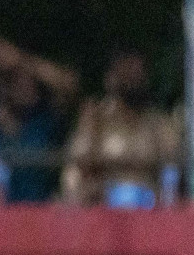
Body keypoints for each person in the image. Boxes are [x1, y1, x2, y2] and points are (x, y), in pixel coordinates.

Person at [0, 38, 77, 204]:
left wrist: (20, 59)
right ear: (1, 85)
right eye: (17, 80)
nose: (27, 87)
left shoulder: (44, 123)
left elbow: (68, 85)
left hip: (39, 216)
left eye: (33, 82)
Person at [61, 49, 179, 209]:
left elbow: (172, 165)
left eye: (138, 74)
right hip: (103, 207)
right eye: (127, 74)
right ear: (111, 79)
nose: (133, 79)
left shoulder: (158, 122)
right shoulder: (95, 118)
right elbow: (77, 164)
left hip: (150, 206)